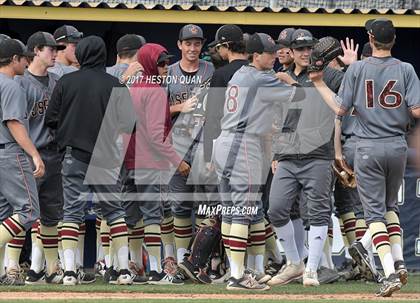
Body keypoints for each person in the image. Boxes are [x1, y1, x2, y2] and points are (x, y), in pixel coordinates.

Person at [308, 18, 420, 297]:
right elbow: (417, 111)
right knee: (389, 207)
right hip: (397, 145)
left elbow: (340, 109)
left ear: (370, 38)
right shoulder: (406, 69)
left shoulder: (357, 68)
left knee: (373, 216)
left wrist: (319, 82)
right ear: (393, 40)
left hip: (368, 147)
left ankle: (390, 274)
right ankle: (400, 263)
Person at [45, 35, 137, 286]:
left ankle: (70, 272)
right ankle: (122, 271)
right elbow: (130, 124)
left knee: (71, 213)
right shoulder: (115, 84)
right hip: (107, 156)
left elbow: (51, 120)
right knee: (115, 212)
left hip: (74, 154)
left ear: (82, 54)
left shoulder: (65, 82)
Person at [214, 32, 302, 290]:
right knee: (242, 210)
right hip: (243, 143)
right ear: (255, 55)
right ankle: (238, 277)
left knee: (231, 211)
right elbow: (301, 98)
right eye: (269, 52)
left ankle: (236, 270)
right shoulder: (262, 77)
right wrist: (290, 79)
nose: (275, 56)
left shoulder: (240, 74)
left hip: (225, 141)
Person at [268, 29, 346, 287]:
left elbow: (342, 108)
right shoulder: (283, 77)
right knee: (276, 209)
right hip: (288, 155)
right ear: (290, 51)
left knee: (318, 213)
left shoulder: (332, 75)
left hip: (319, 155)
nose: (305, 53)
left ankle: (312, 269)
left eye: (309, 48)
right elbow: (277, 120)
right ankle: (294, 263)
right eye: (299, 49)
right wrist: (275, 152)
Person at [123, 43, 188, 285]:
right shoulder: (156, 90)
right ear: (149, 64)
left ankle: (136, 268)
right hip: (148, 161)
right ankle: (155, 271)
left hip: (128, 160)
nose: (164, 67)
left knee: (133, 218)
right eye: (160, 63)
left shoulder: (130, 88)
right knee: (152, 217)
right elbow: (155, 136)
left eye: (165, 62)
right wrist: (177, 161)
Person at [13, 32, 66, 285]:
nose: (55, 53)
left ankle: (50, 268)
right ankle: (11, 267)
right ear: (36, 50)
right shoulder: (20, 82)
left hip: (53, 155)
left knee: (51, 215)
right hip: (26, 154)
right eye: (50, 49)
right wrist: (30, 154)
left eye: (57, 50)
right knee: (22, 213)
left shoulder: (57, 81)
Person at [166, 24, 215, 268]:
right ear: (180, 45)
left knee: (207, 205)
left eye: (197, 43)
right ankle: (184, 257)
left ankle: (202, 260)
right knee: (181, 206)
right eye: (188, 43)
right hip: (178, 146)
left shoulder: (211, 69)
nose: (193, 47)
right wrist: (178, 108)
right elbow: (154, 110)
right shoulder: (168, 72)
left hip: (205, 145)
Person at [0, 38, 43, 285]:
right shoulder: (11, 85)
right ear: (14, 59)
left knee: (3, 213)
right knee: (28, 211)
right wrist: (34, 154)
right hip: (10, 152)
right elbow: (14, 123)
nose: (27, 61)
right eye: (23, 57)